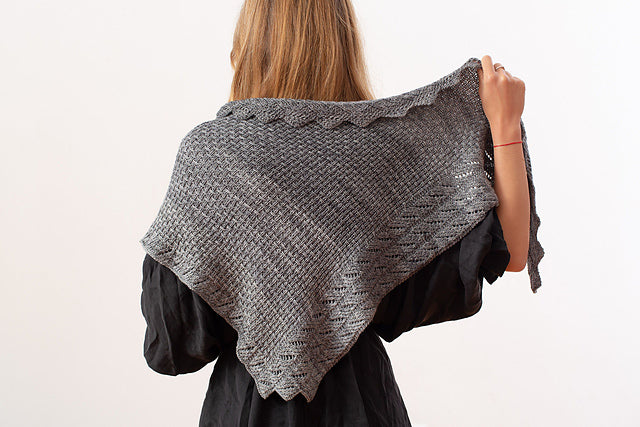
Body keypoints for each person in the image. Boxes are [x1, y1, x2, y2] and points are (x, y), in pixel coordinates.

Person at [139, 1, 531, 425]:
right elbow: (510, 253)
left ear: (249, 46)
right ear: (344, 45)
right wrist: (505, 126)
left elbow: (171, 345)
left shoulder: (212, 156)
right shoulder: (380, 155)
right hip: (364, 408)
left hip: (246, 412)